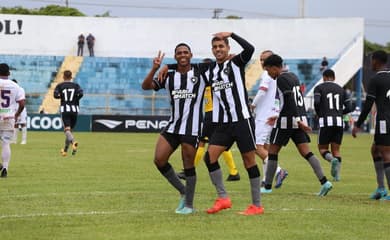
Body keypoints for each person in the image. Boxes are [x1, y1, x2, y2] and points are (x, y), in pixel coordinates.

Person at [142, 45, 207, 214]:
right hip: (173, 125)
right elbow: (146, 86)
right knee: (159, 159)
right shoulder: (168, 75)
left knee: (188, 165)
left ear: (191, 55)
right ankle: (183, 191)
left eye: (186, 52)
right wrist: (155, 69)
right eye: (179, 53)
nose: (183, 55)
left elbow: (217, 65)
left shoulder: (201, 72)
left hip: (191, 127)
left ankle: (189, 205)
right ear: (175, 56)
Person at [203, 32, 263, 215]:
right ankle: (223, 198)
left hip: (242, 120)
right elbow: (187, 68)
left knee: (248, 161)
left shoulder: (236, 63)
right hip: (224, 123)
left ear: (228, 48)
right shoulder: (210, 70)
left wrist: (232, 34)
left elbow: (250, 49)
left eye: (221, 46)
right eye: (215, 47)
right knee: (210, 157)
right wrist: (168, 67)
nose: (218, 49)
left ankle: (257, 206)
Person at [261, 54, 333, 196]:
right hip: (297, 118)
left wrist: (294, 119)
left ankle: (267, 186)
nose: (268, 74)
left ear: (275, 68)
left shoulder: (280, 79)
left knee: (272, 152)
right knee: (306, 152)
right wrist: (299, 119)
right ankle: (325, 182)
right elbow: (294, 99)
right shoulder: (293, 76)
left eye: (268, 70)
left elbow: (289, 100)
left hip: (287, 121)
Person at [176, 58, 241, 182]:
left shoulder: (208, 83)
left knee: (201, 142)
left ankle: (189, 170)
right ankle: (234, 172)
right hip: (216, 117)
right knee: (221, 146)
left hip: (211, 117)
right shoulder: (211, 81)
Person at [352, 50, 390, 200]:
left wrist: (358, 124)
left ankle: (386, 191)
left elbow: (368, 104)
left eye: (371, 60)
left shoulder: (376, 80)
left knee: (386, 154)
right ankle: (381, 188)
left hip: (384, 121)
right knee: (375, 150)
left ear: (376, 61)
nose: (370, 63)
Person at [250, 50, 288, 189]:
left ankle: (278, 171)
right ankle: (266, 181)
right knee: (266, 148)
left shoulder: (267, 74)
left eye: (264, 59)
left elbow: (262, 91)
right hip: (271, 115)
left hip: (263, 117)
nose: (262, 62)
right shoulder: (276, 76)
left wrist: (253, 104)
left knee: (256, 146)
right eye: (260, 59)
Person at [313, 69, 353, 181]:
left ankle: (332, 160)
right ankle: (337, 176)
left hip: (326, 121)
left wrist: (319, 113)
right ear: (334, 78)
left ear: (324, 77)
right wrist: (340, 113)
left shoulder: (319, 88)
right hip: (339, 122)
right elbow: (349, 107)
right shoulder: (341, 89)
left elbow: (316, 102)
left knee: (322, 149)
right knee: (336, 150)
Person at [0, 63, 25, 178]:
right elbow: (22, 104)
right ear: (9, 73)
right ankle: (5, 167)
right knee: (6, 143)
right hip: (9, 117)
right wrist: (17, 114)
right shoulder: (16, 86)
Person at [54, 70, 83, 157]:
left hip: (65, 109)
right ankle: (65, 150)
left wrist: (61, 96)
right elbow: (81, 93)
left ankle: (73, 142)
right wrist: (76, 99)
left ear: (63, 77)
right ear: (71, 77)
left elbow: (55, 95)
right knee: (69, 131)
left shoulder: (60, 86)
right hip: (74, 110)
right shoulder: (76, 85)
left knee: (67, 130)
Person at [11, 79, 28, 145]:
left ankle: (24, 140)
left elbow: (22, 100)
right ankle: (14, 140)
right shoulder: (11, 90)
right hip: (14, 108)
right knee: (15, 124)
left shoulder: (21, 89)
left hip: (21, 108)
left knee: (23, 123)